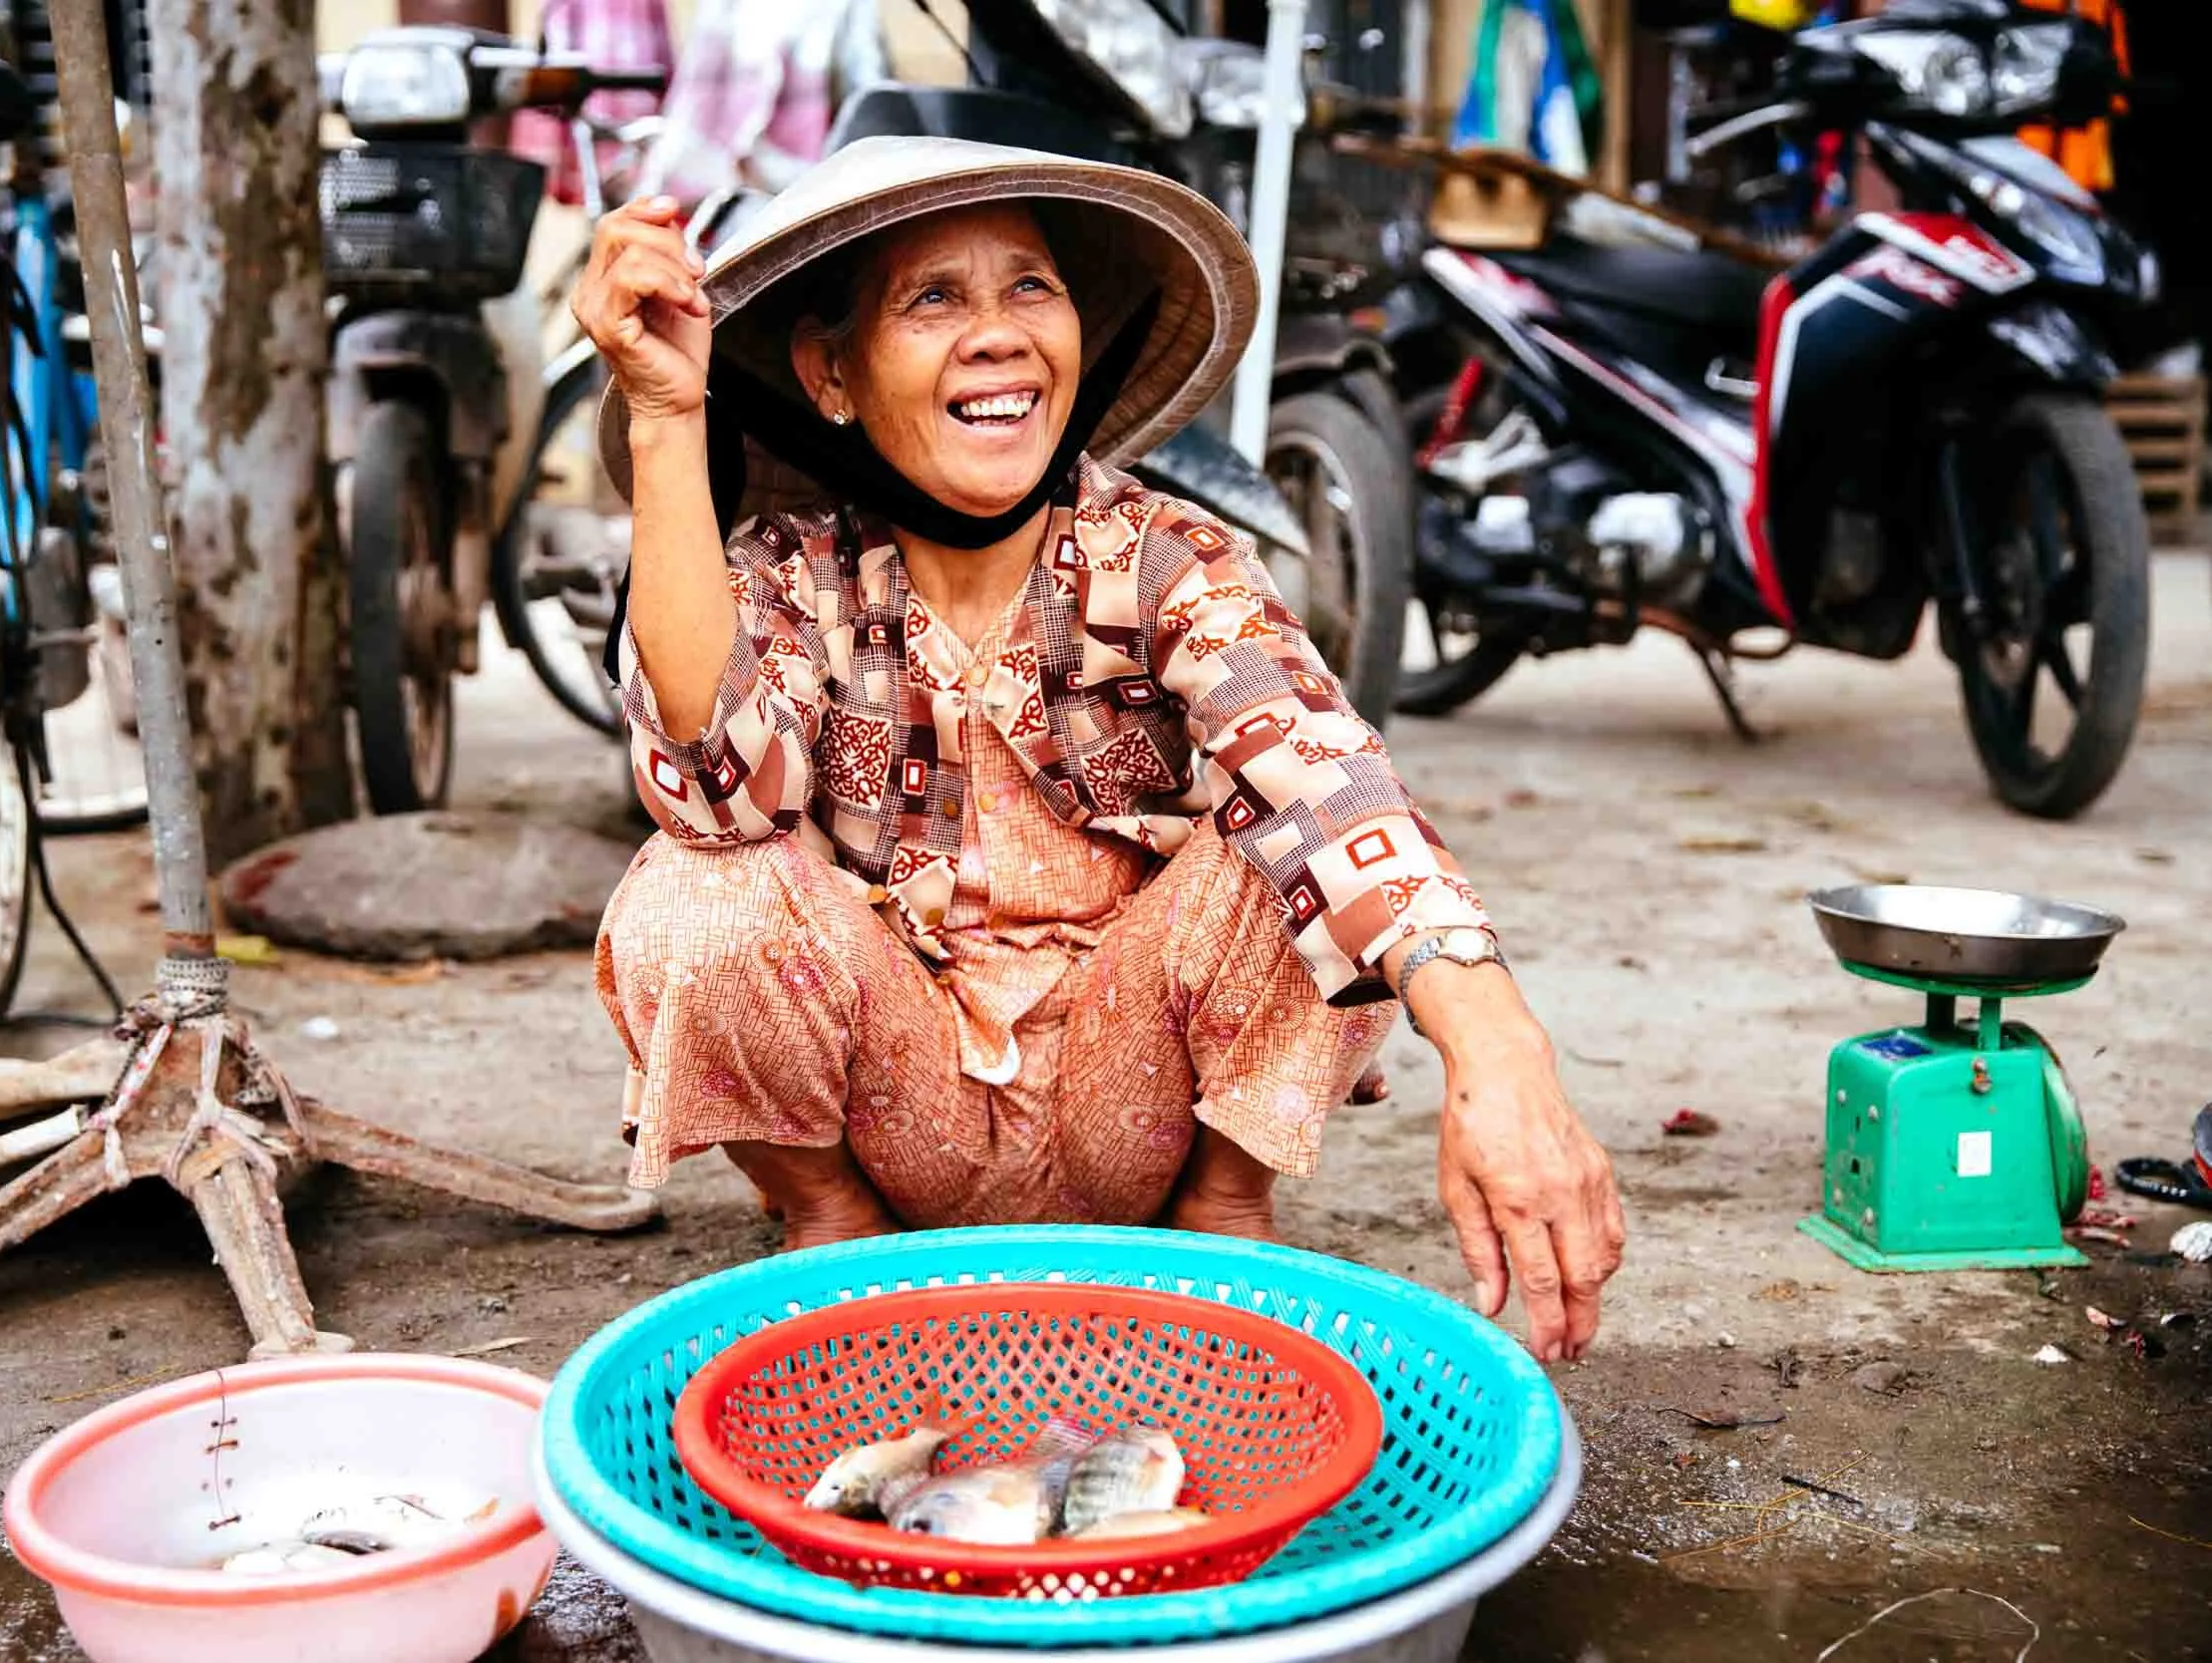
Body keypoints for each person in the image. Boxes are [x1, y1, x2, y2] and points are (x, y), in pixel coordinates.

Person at [571, 139, 1626, 1362]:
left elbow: (1325, 774)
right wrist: (663, 415)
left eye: (1030, 287)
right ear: (831, 373)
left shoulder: (1165, 555)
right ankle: (829, 1223)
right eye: (933, 299)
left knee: (1296, 856)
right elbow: (709, 795)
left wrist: (1499, 1046)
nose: (998, 334)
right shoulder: (791, 573)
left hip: (1139, 1107)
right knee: (701, 887)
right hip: (896, 1112)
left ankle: (1226, 1213)